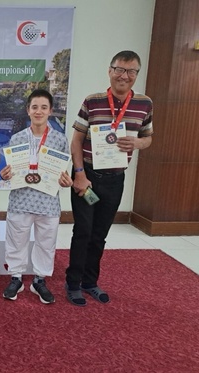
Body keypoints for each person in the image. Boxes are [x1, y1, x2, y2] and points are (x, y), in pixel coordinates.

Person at [65, 50, 153, 306]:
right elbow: (77, 141)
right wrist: (79, 175)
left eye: (131, 71)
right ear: (110, 70)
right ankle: (72, 283)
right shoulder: (92, 101)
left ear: (137, 74)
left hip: (115, 179)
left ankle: (90, 282)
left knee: (100, 233)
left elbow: (148, 138)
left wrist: (138, 142)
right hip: (88, 177)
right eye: (119, 69)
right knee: (83, 230)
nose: (124, 76)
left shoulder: (144, 104)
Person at [0, 89, 73, 303]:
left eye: (43, 107)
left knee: (46, 242)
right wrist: (6, 175)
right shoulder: (17, 138)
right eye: (34, 107)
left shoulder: (59, 140)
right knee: (16, 240)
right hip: (21, 199)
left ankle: (39, 280)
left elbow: (61, 173)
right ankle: (16, 277)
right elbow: (10, 171)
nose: (38, 111)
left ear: (50, 111)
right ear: (28, 110)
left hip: (48, 201)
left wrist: (65, 181)